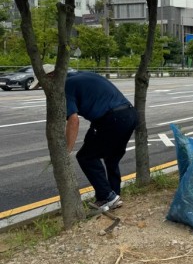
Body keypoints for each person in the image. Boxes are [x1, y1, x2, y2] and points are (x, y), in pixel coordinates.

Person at [31, 64, 139, 210]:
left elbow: (73, 120)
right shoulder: (83, 75)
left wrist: (67, 150)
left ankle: (108, 196)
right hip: (129, 115)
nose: (43, 88)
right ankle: (112, 196)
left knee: (86, 157)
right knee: (111, 158)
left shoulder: (65, 86)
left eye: (42, 84)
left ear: (50, 77)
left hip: (111, 119)